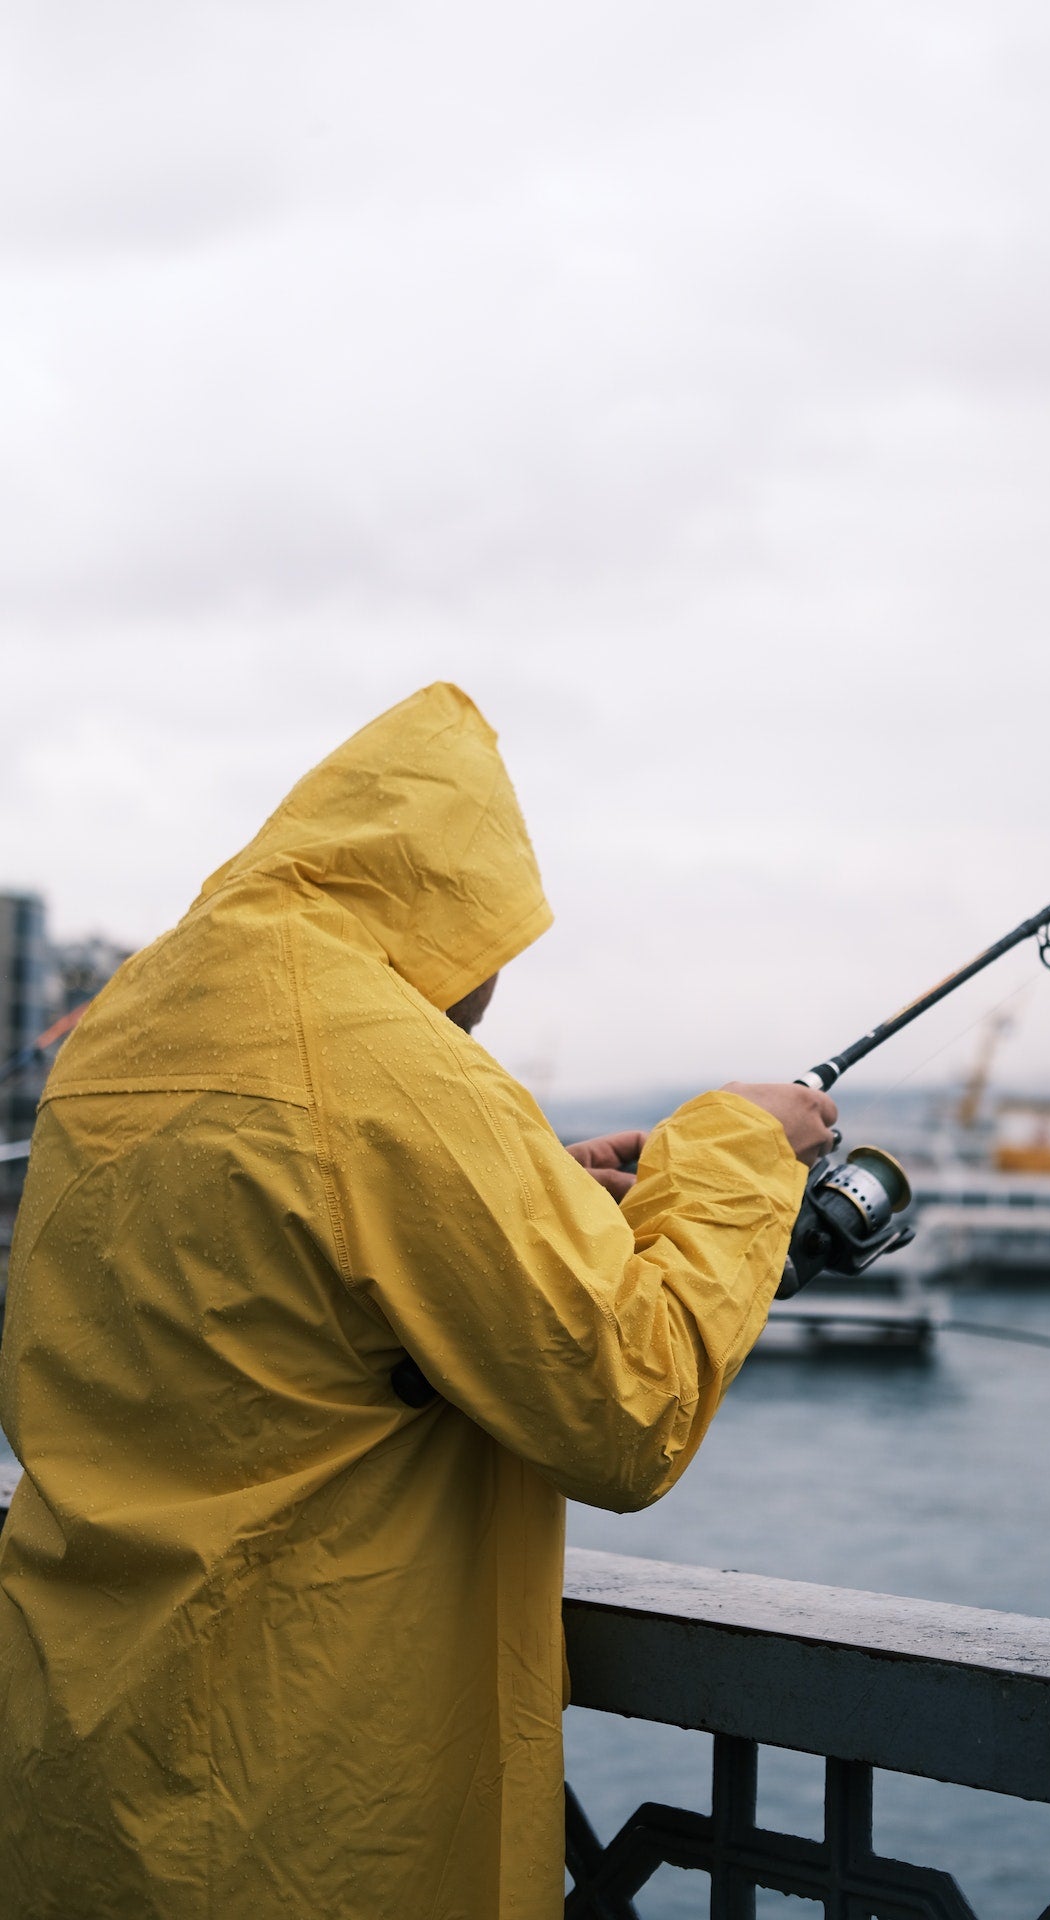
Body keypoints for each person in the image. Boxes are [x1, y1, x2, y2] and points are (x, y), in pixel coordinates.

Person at [0, 684, 835, 1918]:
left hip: (76, 1751)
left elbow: (270, 1276)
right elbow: (627, 1409)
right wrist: (738, 1152)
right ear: (456, 904)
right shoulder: (392, 1058)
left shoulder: (129, 1029)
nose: (491, 982)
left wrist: (536, 1193)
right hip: (302, 1794)